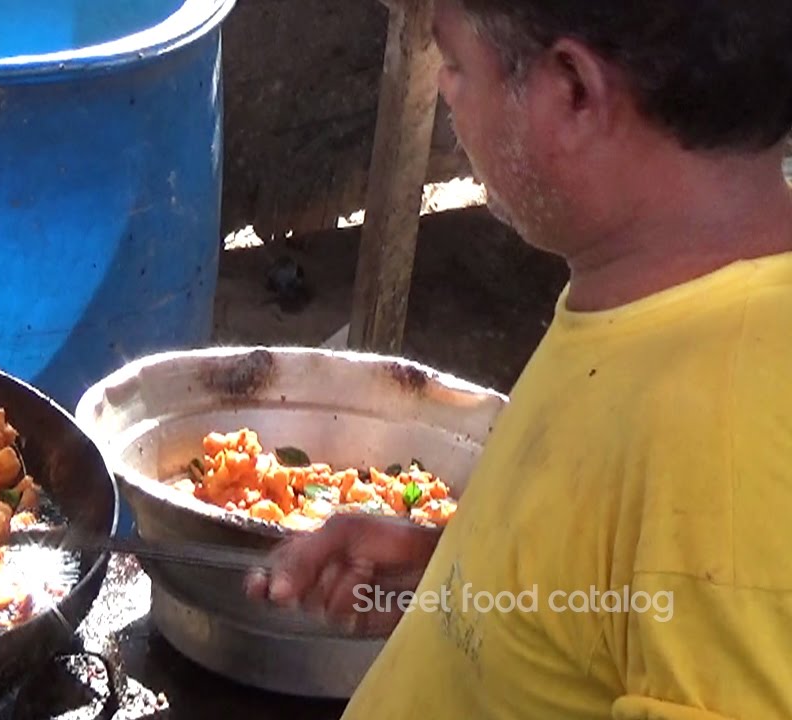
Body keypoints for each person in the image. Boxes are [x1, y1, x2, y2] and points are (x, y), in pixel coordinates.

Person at [244, 0, 792, 717]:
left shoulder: (726, 449)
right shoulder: (651, 295)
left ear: (571, 92)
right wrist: (470, 587)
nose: (445, 88)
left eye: (455, 61)